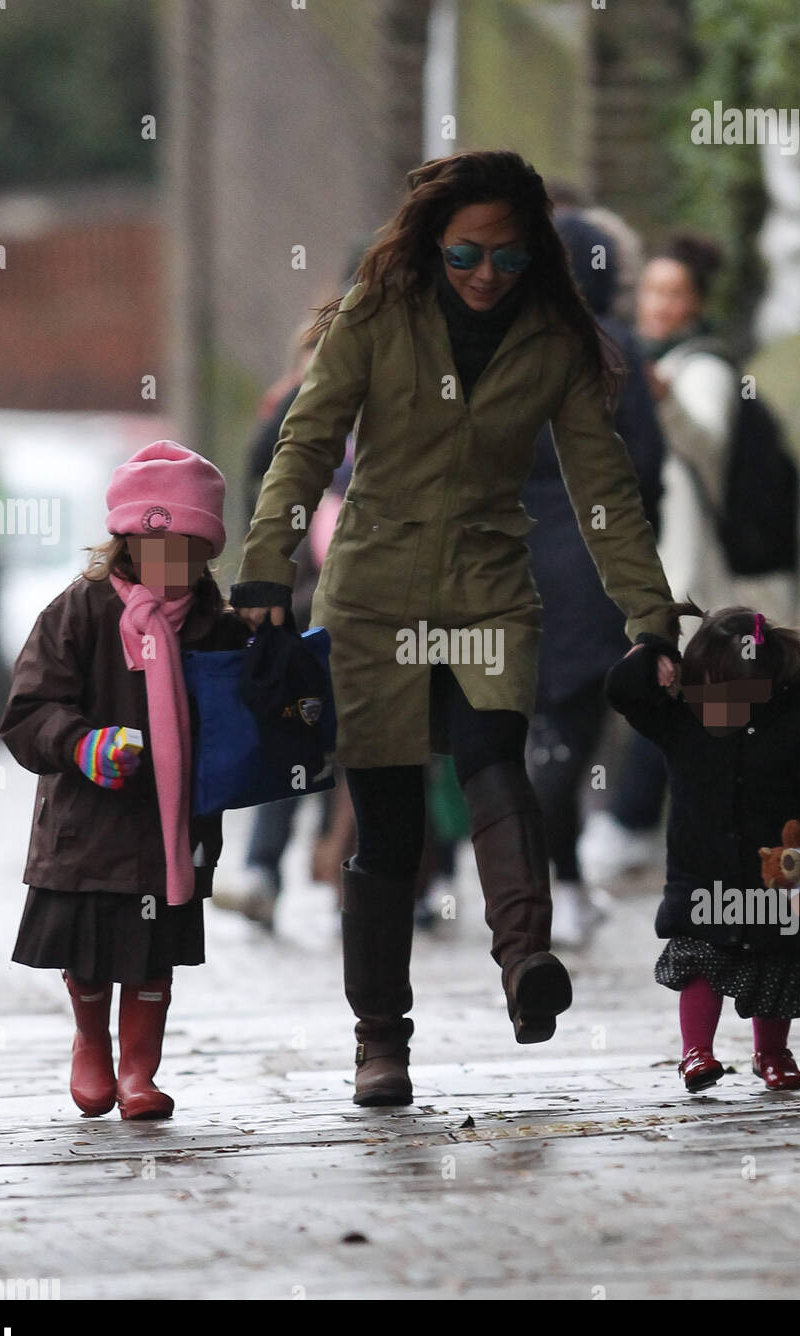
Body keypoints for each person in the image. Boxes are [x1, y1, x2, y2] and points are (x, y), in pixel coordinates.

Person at [230, 149, 678, 1107]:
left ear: (534, 255)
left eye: (508, 258)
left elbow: (604, 489)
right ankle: (381, 1044)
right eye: (466, 255)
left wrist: (651, 612)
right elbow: (307, 439)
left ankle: (525, 960)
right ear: (434, 243)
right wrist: (266, 563)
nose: (486, 275)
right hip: (374, 591)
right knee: (388, 824)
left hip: (487, 584)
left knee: (493, 757)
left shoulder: (553, 339)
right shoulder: (376, 314)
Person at [0, 442, 248, 1120]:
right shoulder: (81, 610)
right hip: (85, 827)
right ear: (127, 543)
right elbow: (27, 711)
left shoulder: (214, 625)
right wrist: (81, 743)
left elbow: (248, 711)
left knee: (152, 953)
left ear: (205, 551)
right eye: (155, 546)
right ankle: (90, 1042)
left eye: (186, 549)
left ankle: (139, 1070)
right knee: (86, 946)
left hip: (171, 829)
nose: (169, 563)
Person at [604, 605, 800, 1093]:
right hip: (703, 875)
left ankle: (772, 1052)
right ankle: (696, 1051)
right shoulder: (683, 719)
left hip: (776, 879)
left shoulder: (798, 725)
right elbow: (622, 692)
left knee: (778, 966)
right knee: (701, 962)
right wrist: (653, 652)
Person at [523, 208, 666, 947]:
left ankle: (548, 883)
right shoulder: (616, 351)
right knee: (568, 736)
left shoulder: (499, 348)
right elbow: (646, 465)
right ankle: (561, 886)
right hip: (590, 567)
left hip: (502, 562)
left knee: (525, 732)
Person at [637, 233, 799, 630]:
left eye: (673, 294)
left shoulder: (704, 369)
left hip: (701, 573)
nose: (658, 305)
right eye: (651, 290)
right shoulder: (662, 361)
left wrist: (664, 399)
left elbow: (708, 444)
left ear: (698, 302)